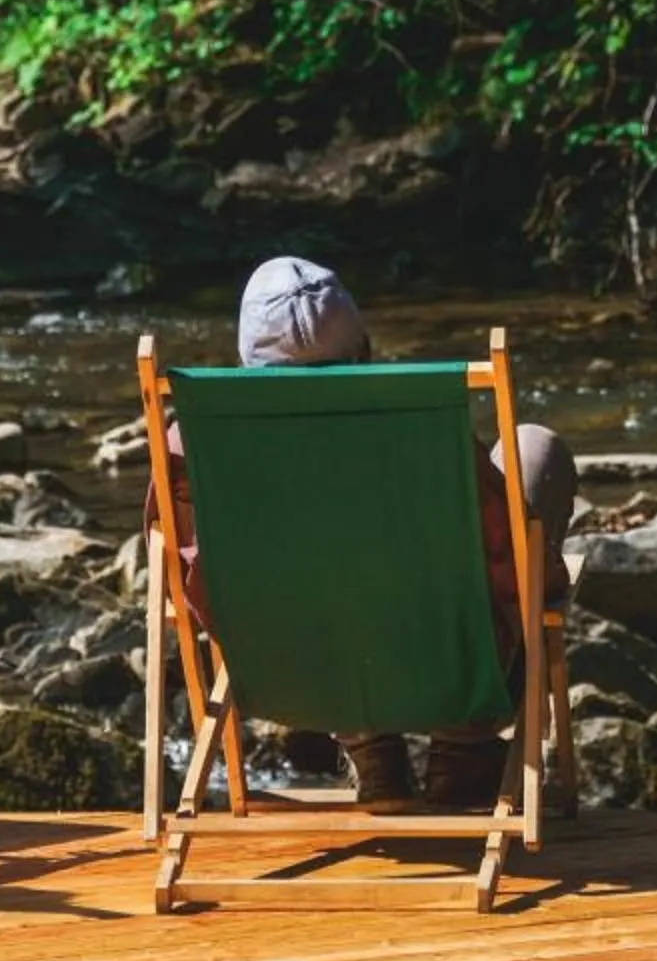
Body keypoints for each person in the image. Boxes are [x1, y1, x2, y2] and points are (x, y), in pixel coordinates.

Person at [149, 256, 579, 811]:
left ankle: (373, 754)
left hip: (296, 680)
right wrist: (546, 584)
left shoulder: (194, 447)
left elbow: (185, 582)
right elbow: (509, 559)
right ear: (365, 348)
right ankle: (462, 752)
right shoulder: (419, 432)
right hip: (454, 670)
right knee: (533, 448)